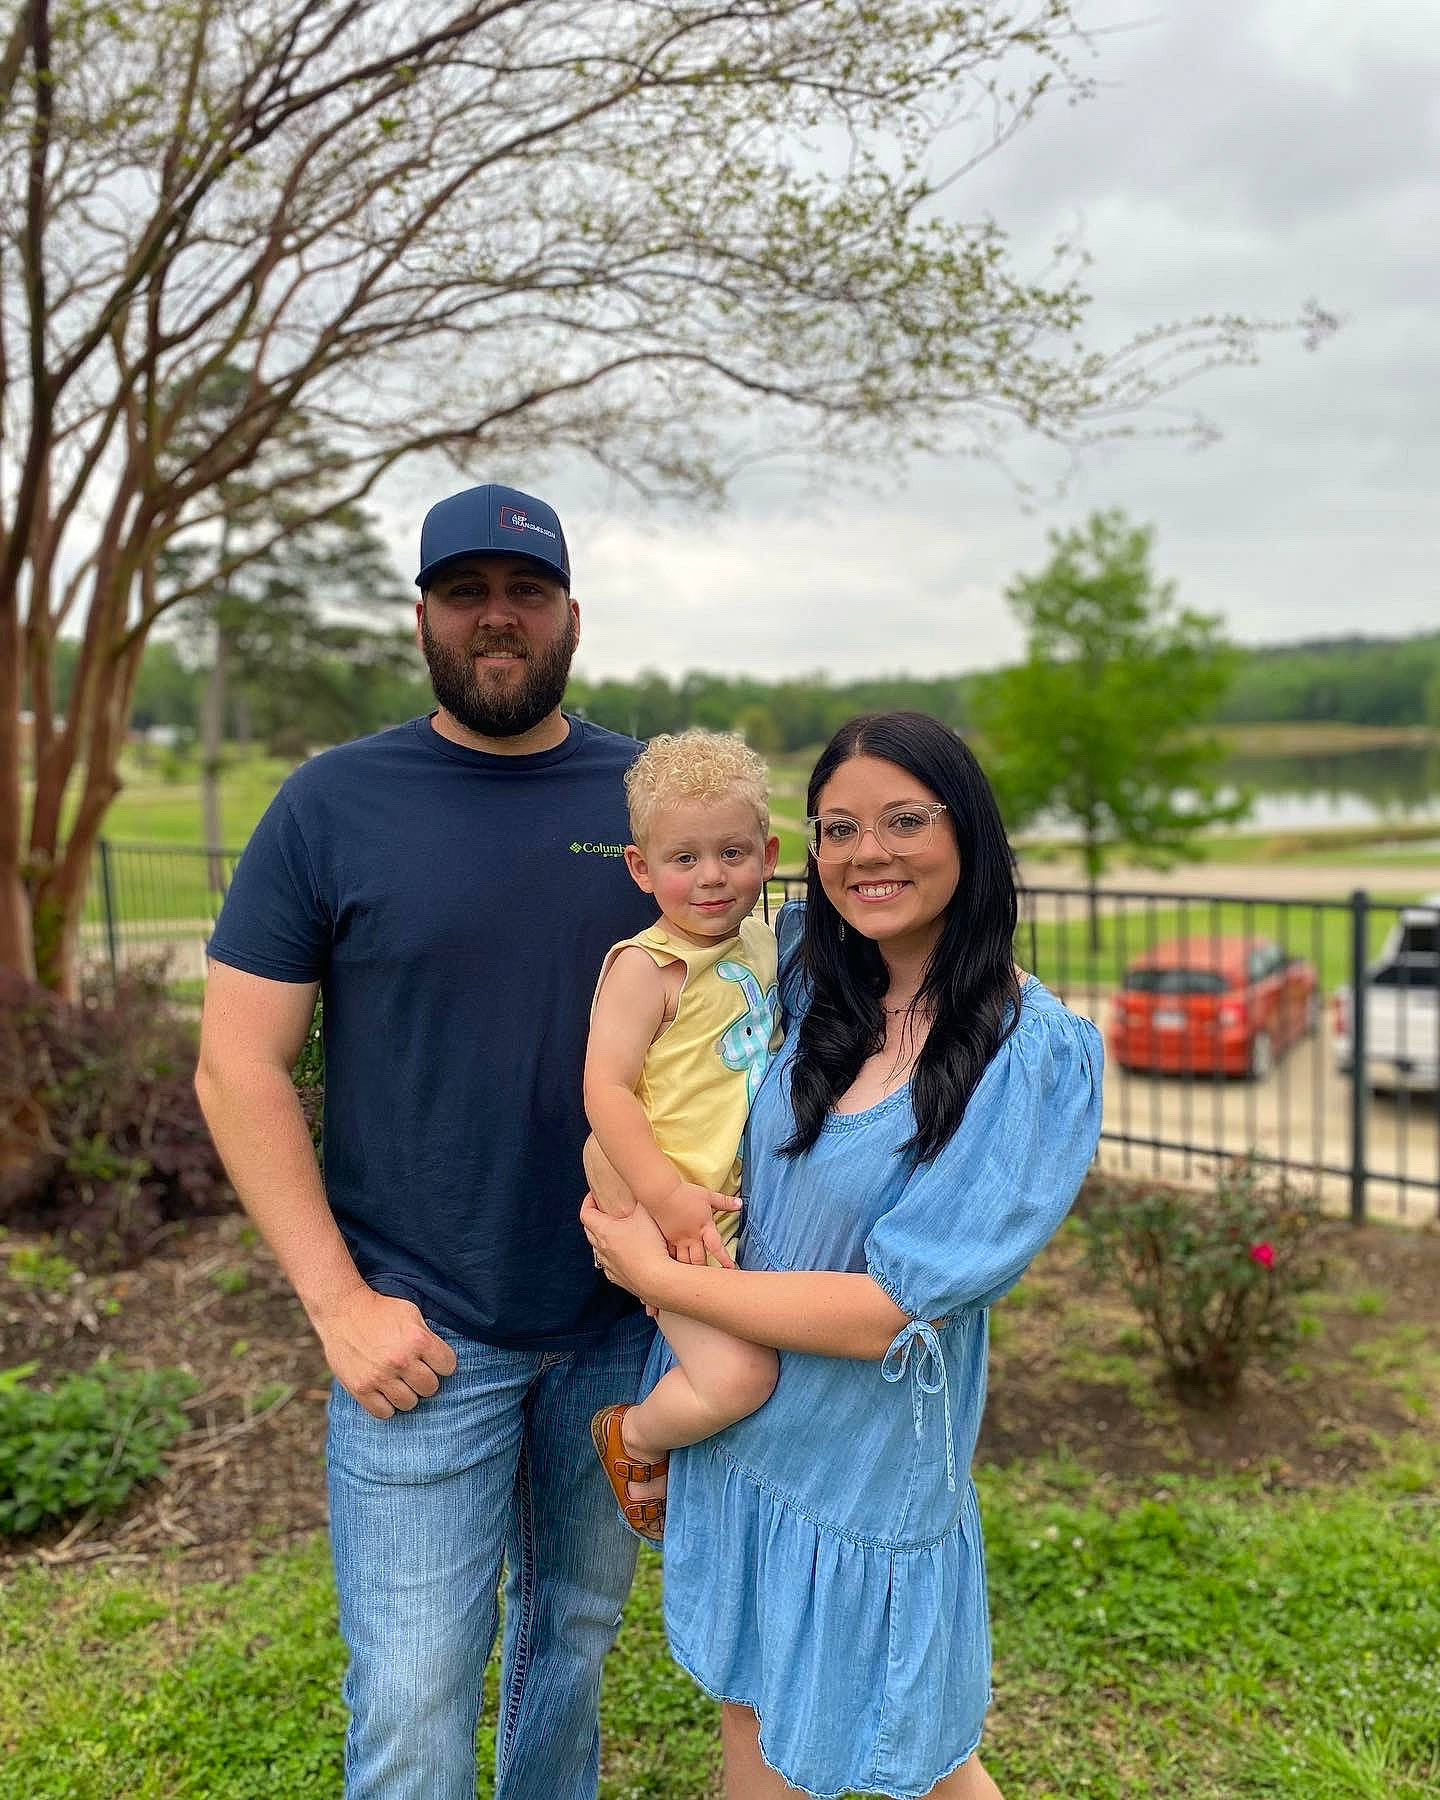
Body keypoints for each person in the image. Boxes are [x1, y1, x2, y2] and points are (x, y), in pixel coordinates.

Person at [194, 483, 658, 1800]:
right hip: (419, 1335)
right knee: (411, 1693)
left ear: (572, 613)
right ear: (423, 618)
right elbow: (238, 1066)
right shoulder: (332, 803)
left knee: (568, 1645)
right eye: (467, 594)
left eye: (524, 592)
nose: (496, 618)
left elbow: (759, 1010)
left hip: (620, 1318)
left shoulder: (649, 802)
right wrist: (338, 1305)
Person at [582, 711, 1104, 1800]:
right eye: (839, 828)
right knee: (759, 1722)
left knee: (925, 1752)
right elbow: (665, 1098)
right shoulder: (811, 989)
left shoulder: (1032, 1052)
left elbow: (891, 1308)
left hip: (866, 1472)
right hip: (743, 1437)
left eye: (905, 820)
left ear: (969, 833)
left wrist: (658, 1275)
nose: (869, 852)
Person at [584, 729, 783, 1542]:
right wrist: (662, 1198)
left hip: (718, 1208)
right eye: (684, 858)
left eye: (732, 852)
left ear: (768, 854)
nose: (711, 877)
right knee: (739, 1377)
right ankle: (634, 1439)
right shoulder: (647, 967)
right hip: (662, 1208)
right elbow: (604, 1088)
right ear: (641, 868)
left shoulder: (764, 944)